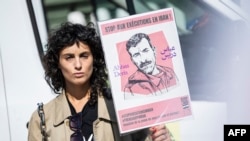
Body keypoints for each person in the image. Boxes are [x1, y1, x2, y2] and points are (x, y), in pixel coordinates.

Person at [27, 22, 173, 141]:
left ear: (94, 59)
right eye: (69, 57)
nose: (78, 65)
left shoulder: (122, 106)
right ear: (57, 63)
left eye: (84, 55)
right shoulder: (42, 118)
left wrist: (162, 137)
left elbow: (151, 137)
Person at [124, 33, 178, 98]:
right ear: (132, 60)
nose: (143, 60)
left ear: (154, 51)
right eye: (136, 55)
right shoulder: (130, 89)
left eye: (145, 51)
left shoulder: (170, 72)